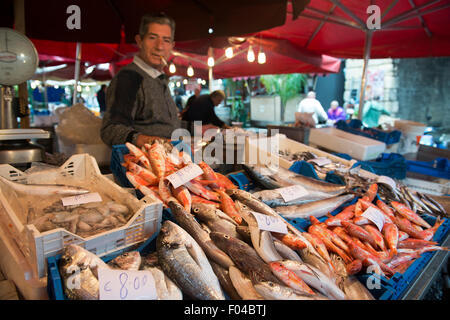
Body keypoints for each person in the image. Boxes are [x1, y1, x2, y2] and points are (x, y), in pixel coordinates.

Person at [100, 13, 180, 148]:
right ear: (139, 41)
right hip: (143, 165)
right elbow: (110, 130)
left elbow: (164, 125)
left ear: (172, 46)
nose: (159, 46)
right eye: (152, 38)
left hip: (172, 159)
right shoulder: (129, 78)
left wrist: (196, 127)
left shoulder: (159, 79)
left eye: (166, 40)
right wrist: (150, 142)